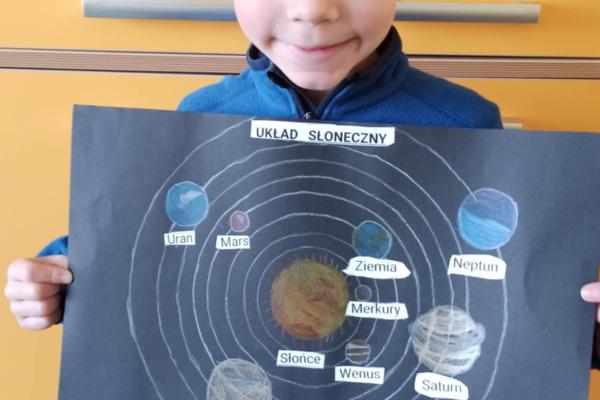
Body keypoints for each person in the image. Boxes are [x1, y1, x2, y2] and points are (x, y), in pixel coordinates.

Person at [4, 0, 600, 370]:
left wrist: (586, 325)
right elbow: (160, 252)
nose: (312, 10)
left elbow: (508, 294)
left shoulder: (467, 124)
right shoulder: (201, 118)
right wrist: (60, 279)